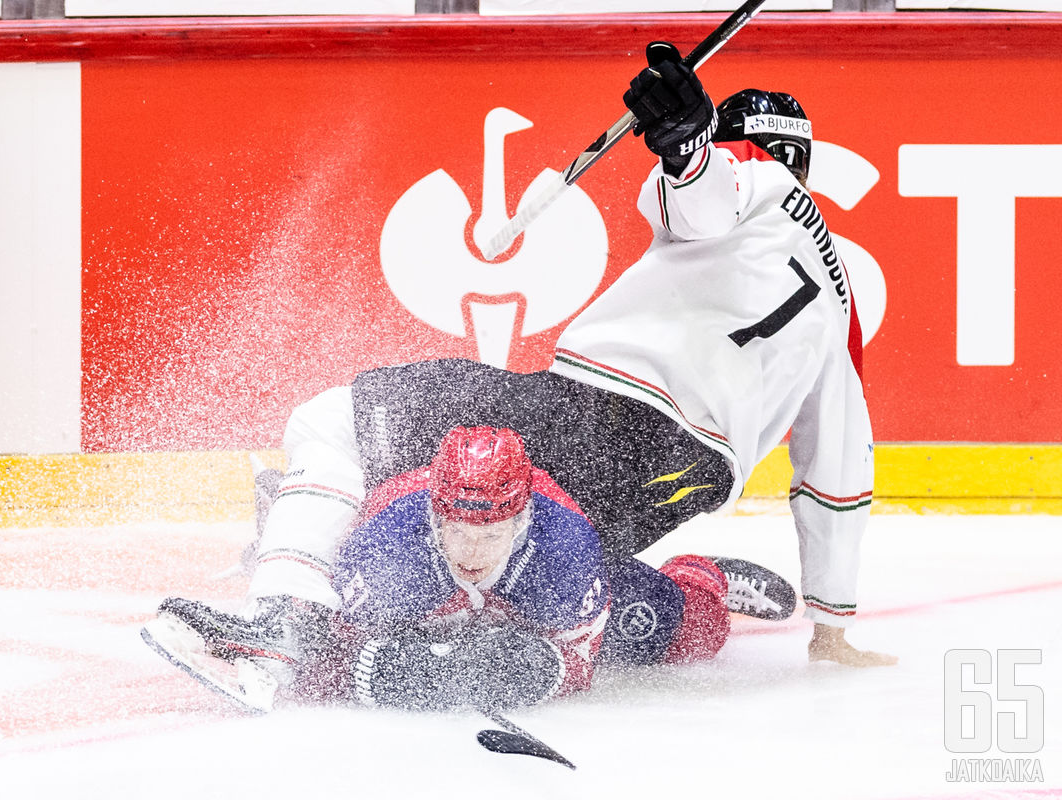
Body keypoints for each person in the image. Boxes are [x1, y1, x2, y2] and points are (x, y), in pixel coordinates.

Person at [145, 38, 893, 707]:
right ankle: (701, 585)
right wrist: (833, 624)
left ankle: (288, 619)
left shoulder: (750, 180)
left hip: (598, 418)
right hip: (676, 491)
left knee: (334, 424)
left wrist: (687, 144)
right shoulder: (843, 307)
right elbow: (837, 473)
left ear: (746, 149)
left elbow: (704, 198)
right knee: (540, 581)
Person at [144, 425, 790, 711]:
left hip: (544, 594)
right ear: (435, 514)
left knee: (675, 633)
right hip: (402, 577)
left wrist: (535, 670)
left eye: (492, 530)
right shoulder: (390, 544)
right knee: (329, 598)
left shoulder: (565, 551)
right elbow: (327, 646)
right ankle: (279, 517)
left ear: (522, 518)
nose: (471, 547)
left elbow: (579, 663)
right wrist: (387, 674)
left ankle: (699, 576)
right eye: (456, 527)